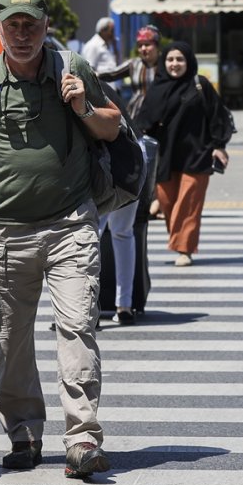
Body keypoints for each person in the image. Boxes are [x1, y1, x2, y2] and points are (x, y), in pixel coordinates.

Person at [0, 0, 122, 478]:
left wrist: (81, 106)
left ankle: (81, 437)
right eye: (12, 24)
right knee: (11, 339)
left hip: (70, 224)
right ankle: (24, 431)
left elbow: (113, 127)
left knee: (77, 326)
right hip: (7, 233)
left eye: (30, 24)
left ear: (45, 26)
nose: (21, 34)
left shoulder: (72, 69)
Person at [88, 25, 163, 325]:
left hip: (114, 168)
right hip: (134, 161)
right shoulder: (111, 85)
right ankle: (124, 306)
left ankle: (89, 308)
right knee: (121, 234)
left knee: (90, 237)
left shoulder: (81, 97)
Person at [137, 41, 233, 267]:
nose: (174, 64)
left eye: (180, 59)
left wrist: (219, 146)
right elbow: (144, 120)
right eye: (170, 59)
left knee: (188, 204)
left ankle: (185, 249)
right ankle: (179, 241)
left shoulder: (200, 85)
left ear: (188, 61)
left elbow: (217, 116)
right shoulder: (157, 88)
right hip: (165, 157)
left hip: (197, 154)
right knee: (168, 202)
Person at [81, 16, 119, 86]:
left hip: (112, 87)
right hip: (101, 89)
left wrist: (115, 47)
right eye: (111, 31)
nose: (113, 34)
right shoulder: (93, 45)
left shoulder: (109, 44)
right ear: (103, 31)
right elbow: (89, 70)